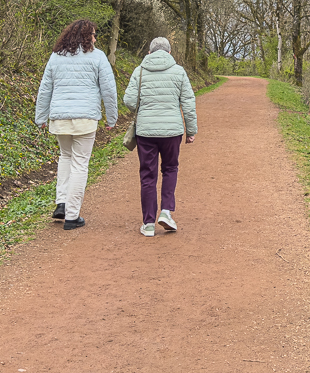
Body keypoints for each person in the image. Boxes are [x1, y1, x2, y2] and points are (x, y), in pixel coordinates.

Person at [33, 19, 118, 230]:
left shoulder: (56, 57)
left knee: (65, 157)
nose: (95, 39)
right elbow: (108, 89)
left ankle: (61, 202)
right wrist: (112, 117)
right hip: (85, 118)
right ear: (87, 37)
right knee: (80, 163)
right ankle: (72, 215)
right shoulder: (97, 57)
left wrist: (41, 117)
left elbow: (45, 89)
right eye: (94, 35)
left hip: (60, 118)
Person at [124, 37, 197, 237]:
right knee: (170, 168)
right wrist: (191, 131)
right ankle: (166, 212)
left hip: (146, 131)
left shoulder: (139, 71)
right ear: (169, 53)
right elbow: (188, 104)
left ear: (149, 53)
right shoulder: (179, 71)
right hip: (172, 131)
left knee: (148, 175)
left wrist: (144, 106)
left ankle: (148, 224)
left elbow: (129, 101)